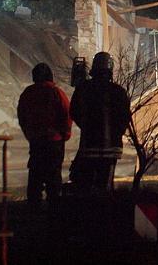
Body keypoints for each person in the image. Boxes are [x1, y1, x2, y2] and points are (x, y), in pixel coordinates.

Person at [70, 52, 131, 194]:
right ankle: (105, 213)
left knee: (86, 188)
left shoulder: (83, 89)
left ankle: (88, 214)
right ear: (110, 69)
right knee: (105, 188)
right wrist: (117, 133)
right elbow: (125, 117)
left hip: (89, 146)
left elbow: (74, 112)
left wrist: (86, 127)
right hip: (111, 149)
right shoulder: (118, 91)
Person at [17, 63, 72, 210]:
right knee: (53, 176)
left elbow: (22, 116)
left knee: (35, 175)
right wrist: (65, 134)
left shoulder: (27, 93)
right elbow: (67, 113)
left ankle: (33, 208)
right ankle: (54, 210)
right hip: (54, 142)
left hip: (36, 141)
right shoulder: (56, 92)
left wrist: (29, 134)